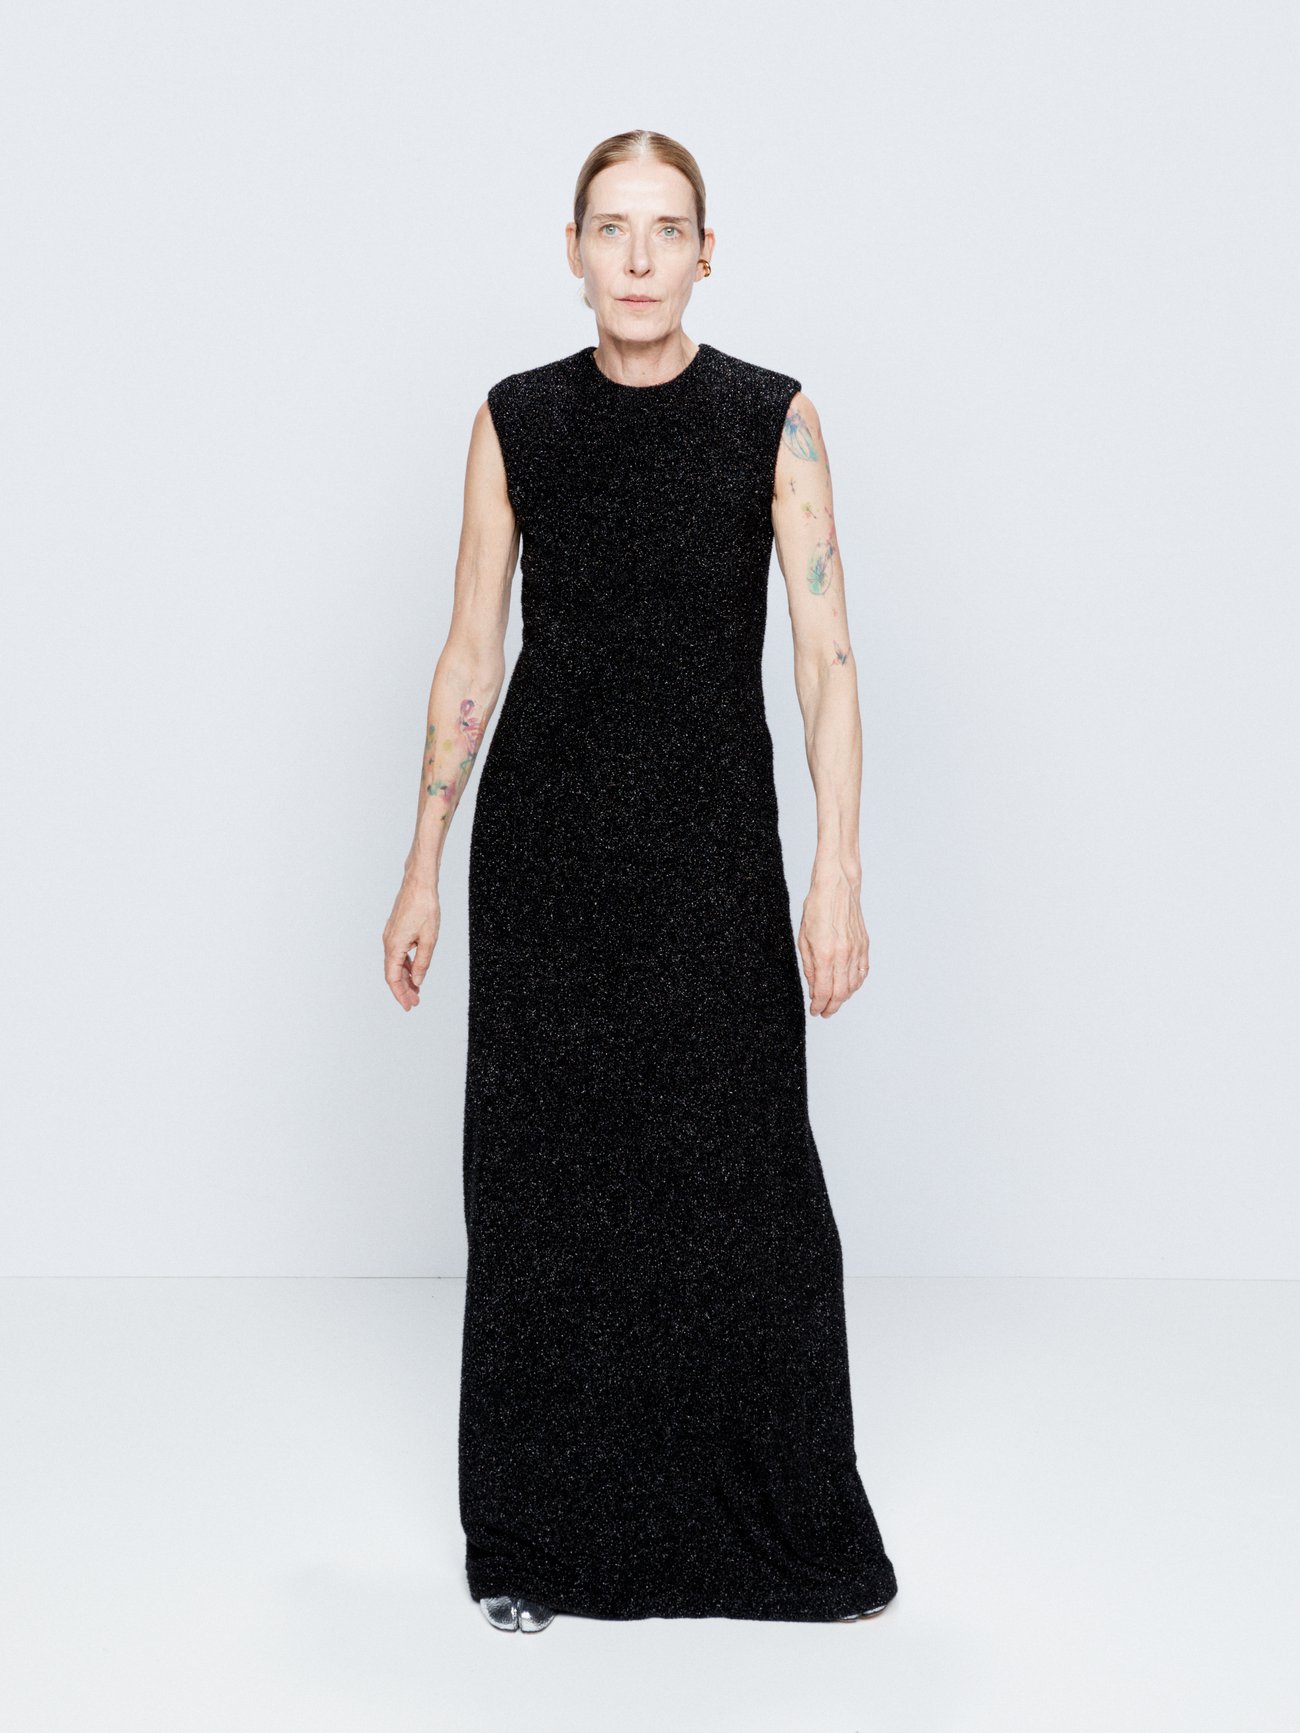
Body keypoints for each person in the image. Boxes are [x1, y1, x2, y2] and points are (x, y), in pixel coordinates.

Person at [383, 129, 899, 1631]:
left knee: (742, 1177)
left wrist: (837, 868)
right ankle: (538, 1543)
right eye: (612, 228)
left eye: (666, 229)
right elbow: (470, 653)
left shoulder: (772, 420)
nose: (638, 257)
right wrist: (420, 863)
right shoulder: (516, 422)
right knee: (545, 1188)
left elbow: (827, 658)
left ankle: (775, 1526)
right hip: (545, 853)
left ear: (705, 253)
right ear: (573, 250)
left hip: (712, 847)